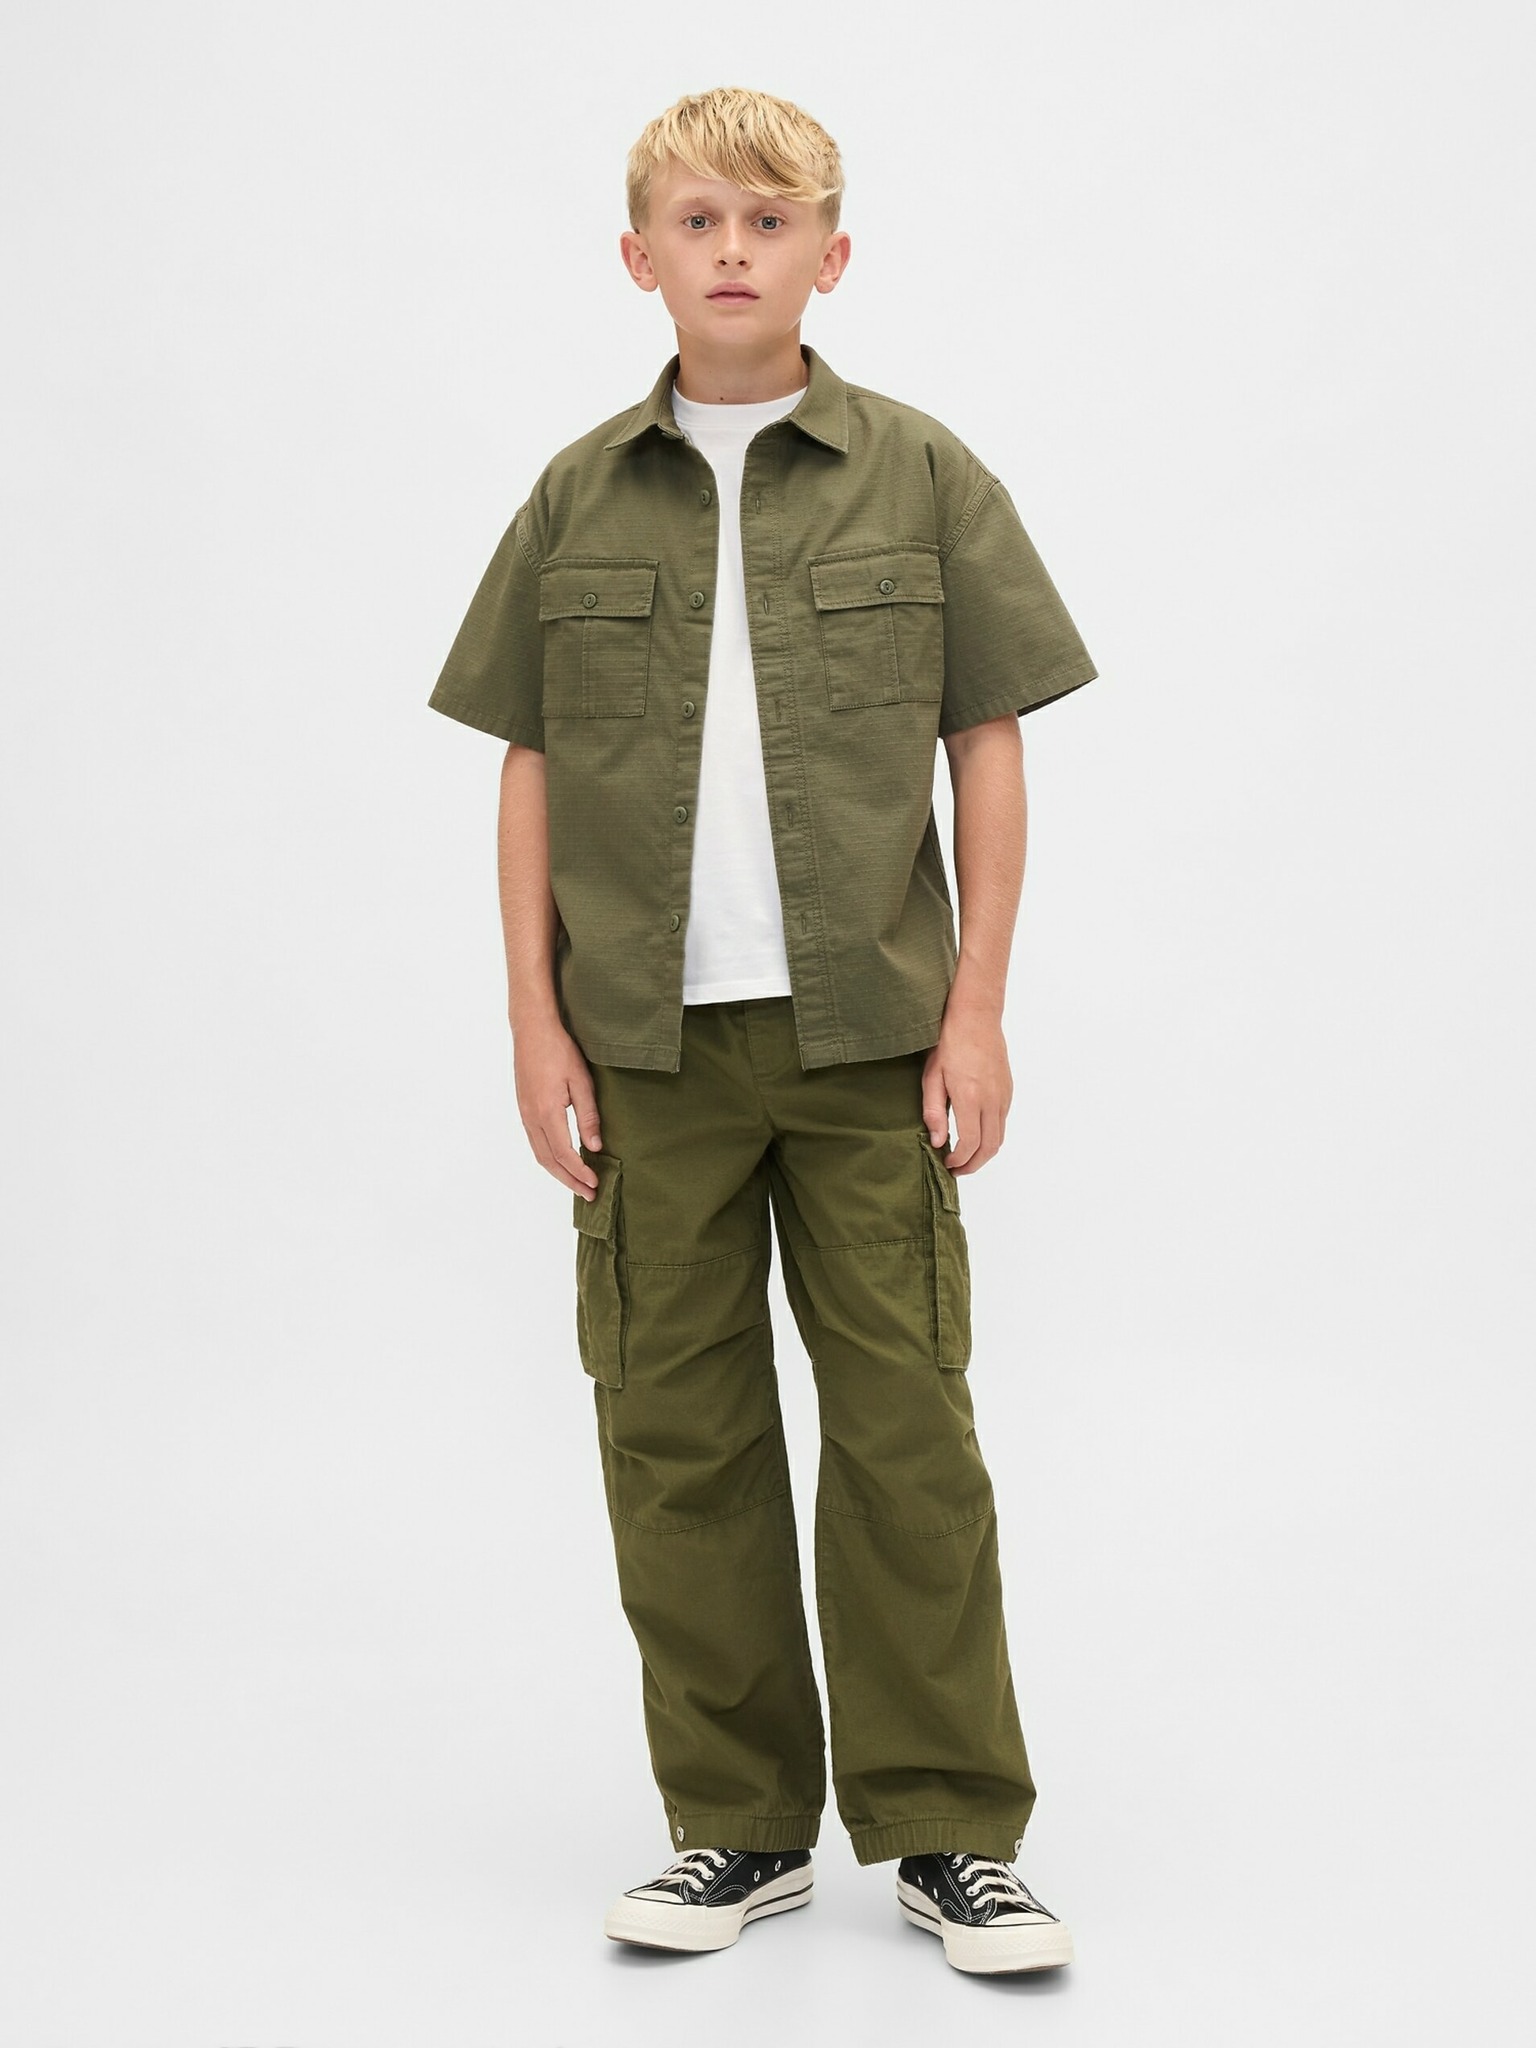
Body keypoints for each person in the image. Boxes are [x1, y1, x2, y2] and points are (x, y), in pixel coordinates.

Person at [427, 85, 1098, 1977]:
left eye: (771, 222)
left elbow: (987, 743)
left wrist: (978, 1006)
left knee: (907, 1432)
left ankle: (953, 1833)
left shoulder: (924, 476)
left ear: (833, 254)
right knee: (676, 1436)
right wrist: (532, 1023)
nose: (735, 252)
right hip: (645, 1051)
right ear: (639, 256)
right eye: (700, 222)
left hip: (868, 1036)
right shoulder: (575, 496)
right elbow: (527, 763)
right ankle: (735, 1826)